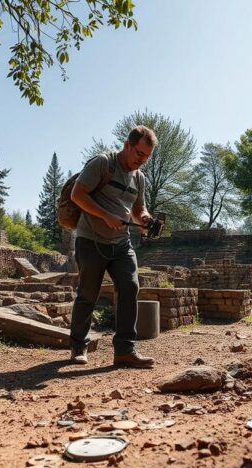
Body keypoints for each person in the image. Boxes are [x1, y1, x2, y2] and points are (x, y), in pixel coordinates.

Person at [68, 125, 159, 368]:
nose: (142, 160)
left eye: (147, 157)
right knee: (88, 294)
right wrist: (106, 215)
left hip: (121, 244)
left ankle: (125, 351)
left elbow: (138, 209)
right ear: (127, 144)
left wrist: (145, 219)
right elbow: (77, 194)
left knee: (130, 286)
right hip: (91, 240)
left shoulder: (139, 178)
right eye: (139, 154)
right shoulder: (103, 163)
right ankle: (78, 346)